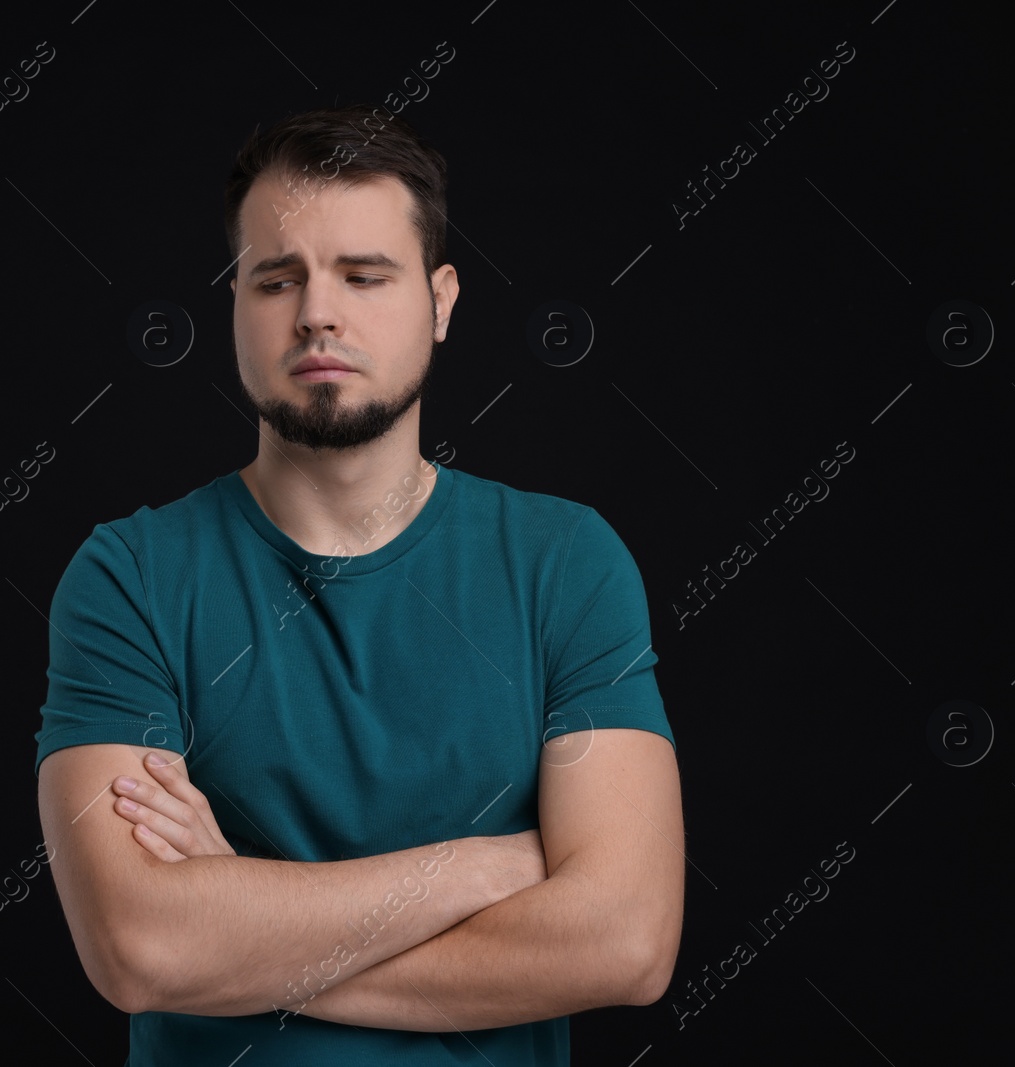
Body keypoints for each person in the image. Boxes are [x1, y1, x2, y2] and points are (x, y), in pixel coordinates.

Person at [34, 104, 684, 1066]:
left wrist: (242, 918)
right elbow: (140, 948)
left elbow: (624, 943)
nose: (317, 313)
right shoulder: (128, 577)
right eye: (276, 278)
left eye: (365, 275)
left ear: (442, 300)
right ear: (237, 306)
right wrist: (487, 867)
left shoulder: (566, 562)